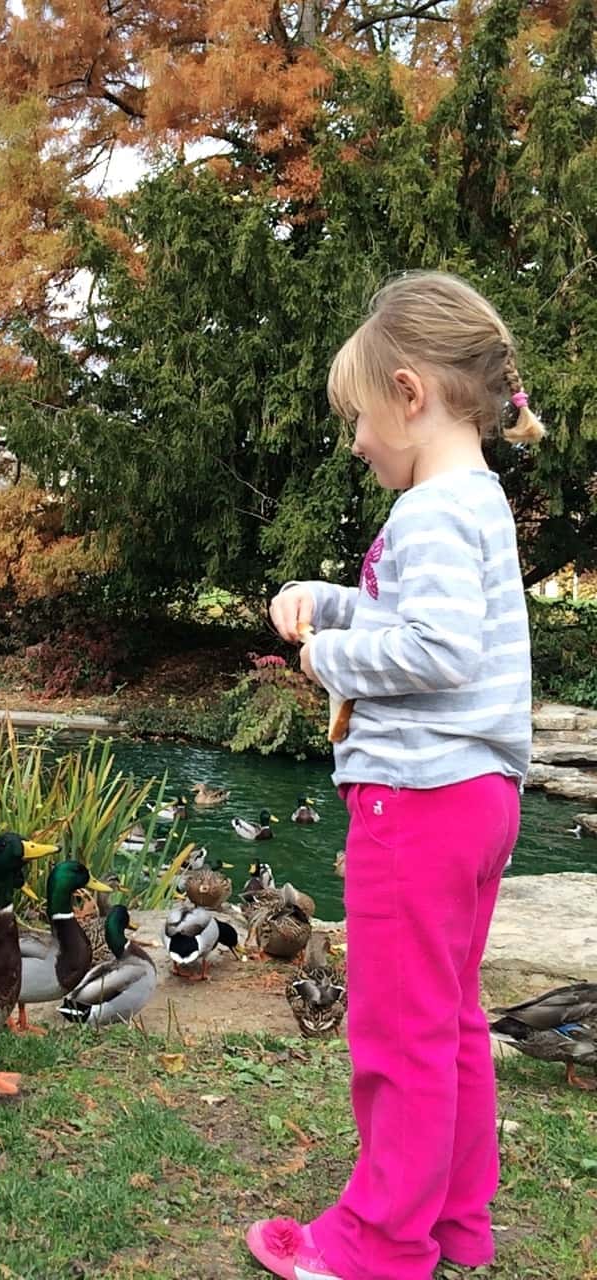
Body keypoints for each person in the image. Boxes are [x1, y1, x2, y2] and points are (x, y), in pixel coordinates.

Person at [249, 272, 544, 1280]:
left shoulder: (425, 513)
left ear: (410, 393)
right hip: (480, 799)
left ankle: (377, 1243)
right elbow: (421, 619)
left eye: (360, 419)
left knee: (397, 1030)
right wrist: (327, 603)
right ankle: (457, 1219)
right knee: (452, 1019)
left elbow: (433, 651)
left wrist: (324, 658)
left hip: (414, 802)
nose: (357, 441)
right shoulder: (477, 502)